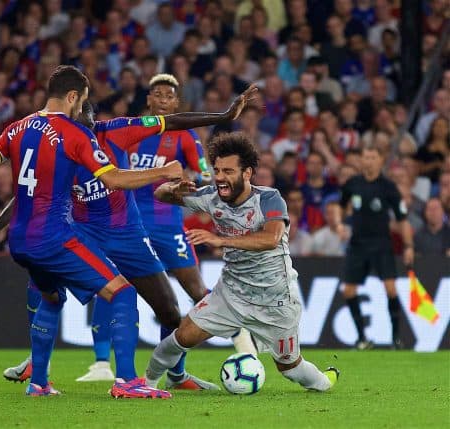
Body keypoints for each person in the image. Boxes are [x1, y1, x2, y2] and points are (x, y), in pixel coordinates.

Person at [0, 87, 258, 389]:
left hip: (128, 234)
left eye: (89, 127)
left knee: (170, 311)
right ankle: (41, 365)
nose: (84, 134)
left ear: (95, 123)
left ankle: (176, 375)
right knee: (44, 288)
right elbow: (32, 192)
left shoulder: (117, 130)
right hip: (83, 233)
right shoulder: (61, 143)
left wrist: (222, 116)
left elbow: (172, 121)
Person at [0, 65, 182, 399]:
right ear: (71, 96)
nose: (82, 109)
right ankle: (127, 381)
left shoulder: (17, 128)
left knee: (51, 299)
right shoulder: (74, 134)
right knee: (122, 292)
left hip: (20, 240)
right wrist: (162, 171)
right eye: (81, 102)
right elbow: (112, 179)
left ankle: (38, 383)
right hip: (54, 238)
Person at [144, 131, 339, 392]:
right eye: (217, 170)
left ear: (247, 173)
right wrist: (172, 189)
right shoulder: (211, 197)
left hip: (275, 298)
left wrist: (221, 240)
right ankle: (146, 384)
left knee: (290, 368)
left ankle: (326, 381)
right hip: (231, 292)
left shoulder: (268, 198)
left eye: (228, 171)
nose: (220, 177)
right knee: (182, 336)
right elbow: (160, 195)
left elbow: (271, 238)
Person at [128, 73, 256, 353]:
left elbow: (204, 174)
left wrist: (187, 184)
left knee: (196, 291)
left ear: (176, 103)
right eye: (157, 94)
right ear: (148, 99)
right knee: (118, 292)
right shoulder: (131, 130)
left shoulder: (185, 136)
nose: (162, 100)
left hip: (167, 226)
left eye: (169, 96)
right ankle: (102, 364)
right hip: (130, 226)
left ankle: (242, 340)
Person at [340, 146, 414, 350]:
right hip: (357, 244)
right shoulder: (352, 184)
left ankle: (396, 338)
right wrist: (340, 224)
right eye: (366, 157)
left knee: (390, 288)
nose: (369, 161)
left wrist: (408, 245)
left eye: (373, 157)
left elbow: (402, 218)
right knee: (348, 291)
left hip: (382, 243)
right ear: (361, 160)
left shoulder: (388, 187)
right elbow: (341, 205)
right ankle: (362, 338)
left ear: (380, 161)